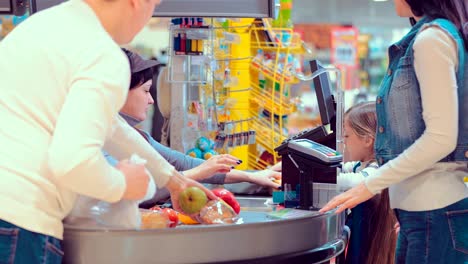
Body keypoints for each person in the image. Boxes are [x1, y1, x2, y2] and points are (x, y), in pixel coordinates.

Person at [0, 0, 215, 262]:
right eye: (154, 5)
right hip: (20, 221)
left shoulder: (41, 27)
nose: (150, 15)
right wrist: (124, 184)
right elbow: (72, 163)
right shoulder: (103, 54)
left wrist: (173, 179)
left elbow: (111, 128)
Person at [321, 1, 468, 263]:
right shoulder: (428, 38)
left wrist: (369, 185)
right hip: (421, 214)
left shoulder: (431, 39)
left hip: (434, 211)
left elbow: (442, 138)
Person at [111, 49, 281, 205]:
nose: (151, 100)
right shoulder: (101, 140)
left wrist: (254, 176)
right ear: (120, 91)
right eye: (146, 90)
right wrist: (200, 172)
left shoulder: (137, 136)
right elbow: (129, 192)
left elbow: (185, 163)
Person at [338, 102, 397, 264]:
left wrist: (319, 179)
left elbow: (356, 181)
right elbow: (339, 169)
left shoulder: (378, 169)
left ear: (367, 140)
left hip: (368, 237)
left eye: (347, 136)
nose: (344, 141)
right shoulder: (361, 164)